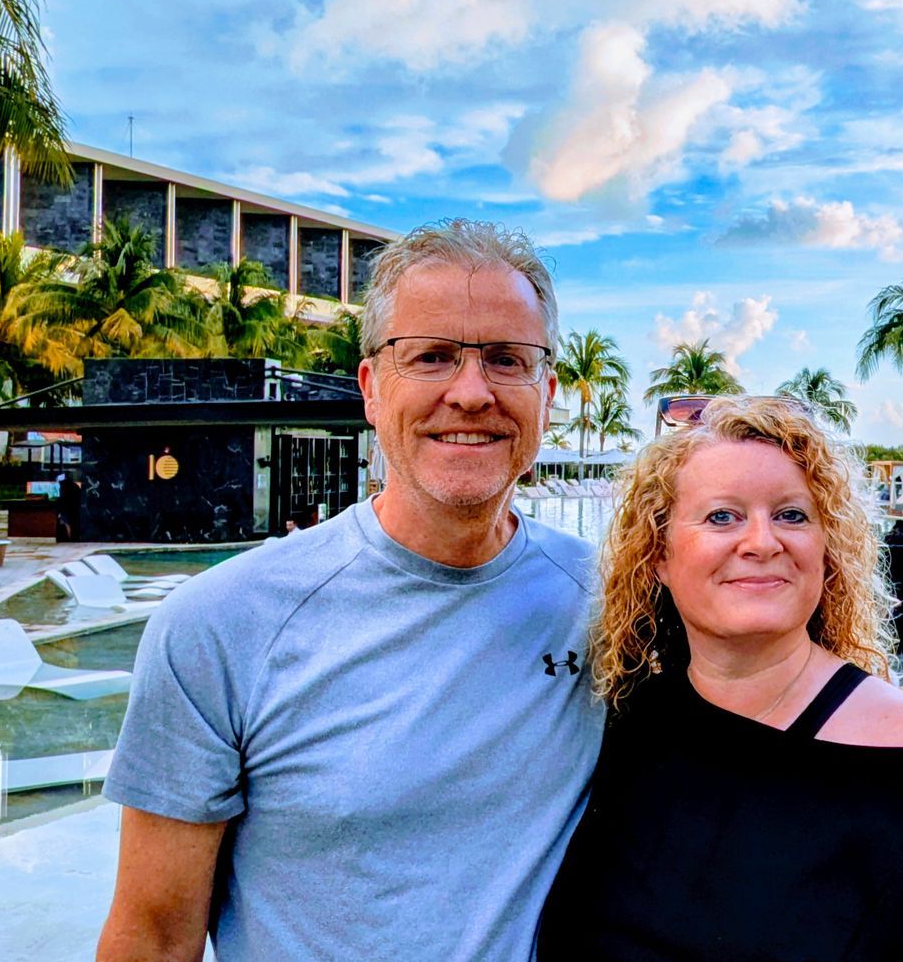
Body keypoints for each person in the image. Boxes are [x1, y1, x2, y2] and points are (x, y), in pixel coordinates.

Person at [98, 220, 601, 961]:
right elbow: (155, 935)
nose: (471, 393)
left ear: (547, 393)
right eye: (430, 357)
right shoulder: (218, 625)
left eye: (506, 359)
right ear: (371, 388)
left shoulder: (610, 603)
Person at [538, 397, 903, 960]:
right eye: (723, 516)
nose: (762, 542)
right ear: (658, 557)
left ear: (826, 550)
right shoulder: (629, 723)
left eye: (791, 515)